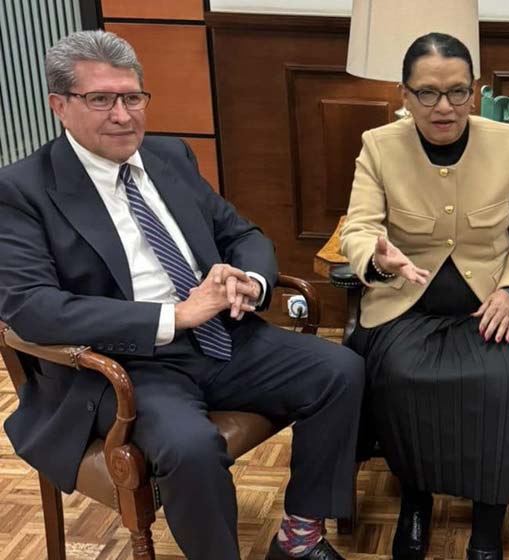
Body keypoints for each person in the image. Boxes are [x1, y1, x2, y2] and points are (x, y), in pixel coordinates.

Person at [0, 30, 365, 560]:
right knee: (191, 447)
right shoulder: (21, 189)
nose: (123, 115)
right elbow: (31, 307)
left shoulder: (169, 155)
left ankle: (298, 539)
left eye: (132, 97)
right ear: (60, 106)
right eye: (100, 99)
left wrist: (249, 281)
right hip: (124, 365)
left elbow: (241, 234)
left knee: (342, 371)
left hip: (221, 336)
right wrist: (171, 315)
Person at [340, 32, 509, 560]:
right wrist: (378, 258)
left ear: (474, 92)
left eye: (458, 92)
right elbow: (358, 228)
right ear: (404, 96)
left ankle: (485, 527)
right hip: (405, 308)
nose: (444, 107)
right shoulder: (379, 146)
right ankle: (416, 499)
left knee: (495, 385)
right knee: (401, 378)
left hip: (488, 309)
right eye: (428, 93)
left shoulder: (505, 143)